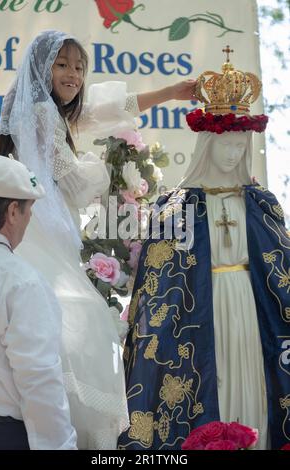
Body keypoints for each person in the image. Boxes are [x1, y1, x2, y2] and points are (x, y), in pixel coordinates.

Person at [0, 30, 197, 449]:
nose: (73, 75)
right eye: (62, 65)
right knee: (77, 327)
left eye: (80, 67)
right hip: (42, 242)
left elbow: (107, 109)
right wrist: (106, 168)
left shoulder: (44, 111)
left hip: (44, 237)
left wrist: (173, 91)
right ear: (41, 69)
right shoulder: (44, 116)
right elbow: (77, 182)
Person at [118, 54, 290, 450]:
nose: (233, 153)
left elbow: (279, 264)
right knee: (217, 377)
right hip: (201, 310)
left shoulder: (261, 202)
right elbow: (160, 280)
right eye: (226, 144)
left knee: (251, 378)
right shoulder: (178, 206)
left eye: (240, 145)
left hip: (250, 303)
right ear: (207, 144)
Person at [0, 155, 77, 450]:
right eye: (29, 211)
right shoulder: (19, 280)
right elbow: (38, 378)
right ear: (13, 211)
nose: (30, 221)